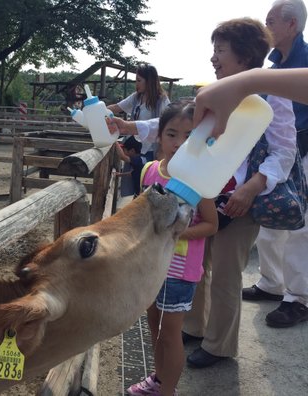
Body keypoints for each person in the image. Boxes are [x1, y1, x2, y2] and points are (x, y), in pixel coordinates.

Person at [109, 17, 298, 369]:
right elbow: (180, 125)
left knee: (226, 274)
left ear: (244, 57)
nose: (213, 58)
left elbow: (284, 152)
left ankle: (219, 345)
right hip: (202, 193)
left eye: (220, 50)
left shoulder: (271, 97)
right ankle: (193, 326)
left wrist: (251, 188)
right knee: (195, 264)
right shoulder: (217, 89)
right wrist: (128, 126)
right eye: (214, 50)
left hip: (241, 200)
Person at [126, 100, 218, 396]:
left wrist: (177, 233)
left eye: (189, 136)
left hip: (180, 271)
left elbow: (212, 225)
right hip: (152, 266)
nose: (180, 143)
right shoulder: (150, 171)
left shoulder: (198, 178)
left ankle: (168, 391)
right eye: (172, 134)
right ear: (160, 136)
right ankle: (159, 380)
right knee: (154, 327)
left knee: (170, 334)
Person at [241, 0, 308, 328]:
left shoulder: (305, 62)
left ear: (292, 25)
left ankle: (298, 298)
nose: (265, 26)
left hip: (305, 151)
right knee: (271, 216)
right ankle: (271, 282)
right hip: (278, 153)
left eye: (271, 21)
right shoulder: (273, 68)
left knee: (301, 226)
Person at [107, 63, 170, 160]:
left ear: (149, 81)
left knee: (146, 174)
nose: (136, 83)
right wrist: (99, 110)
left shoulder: (161, 100)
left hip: (151, 149)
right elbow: (117, 107)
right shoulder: (136, 97)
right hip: (134, 148)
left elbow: (168, 123)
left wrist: (161, 152)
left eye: (139, 80)